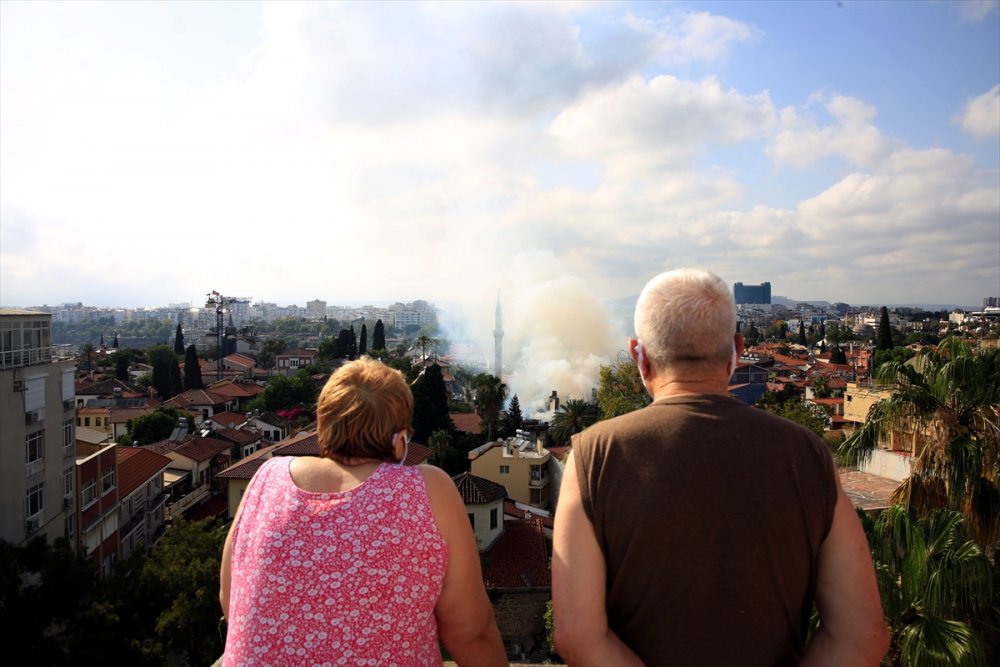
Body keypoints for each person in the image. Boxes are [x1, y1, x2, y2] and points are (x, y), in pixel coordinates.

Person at [552, 268, 888, 666]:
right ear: (737, 349)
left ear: (638, 355)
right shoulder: (806, 454)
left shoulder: (594, 456)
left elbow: (576, 637)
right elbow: (862, 637)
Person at [219, 357, 507, 666]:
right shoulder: (428, 489)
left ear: (323, 428)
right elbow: (470, 633)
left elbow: (231, 599)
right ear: (399, 442)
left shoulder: (266, 478)